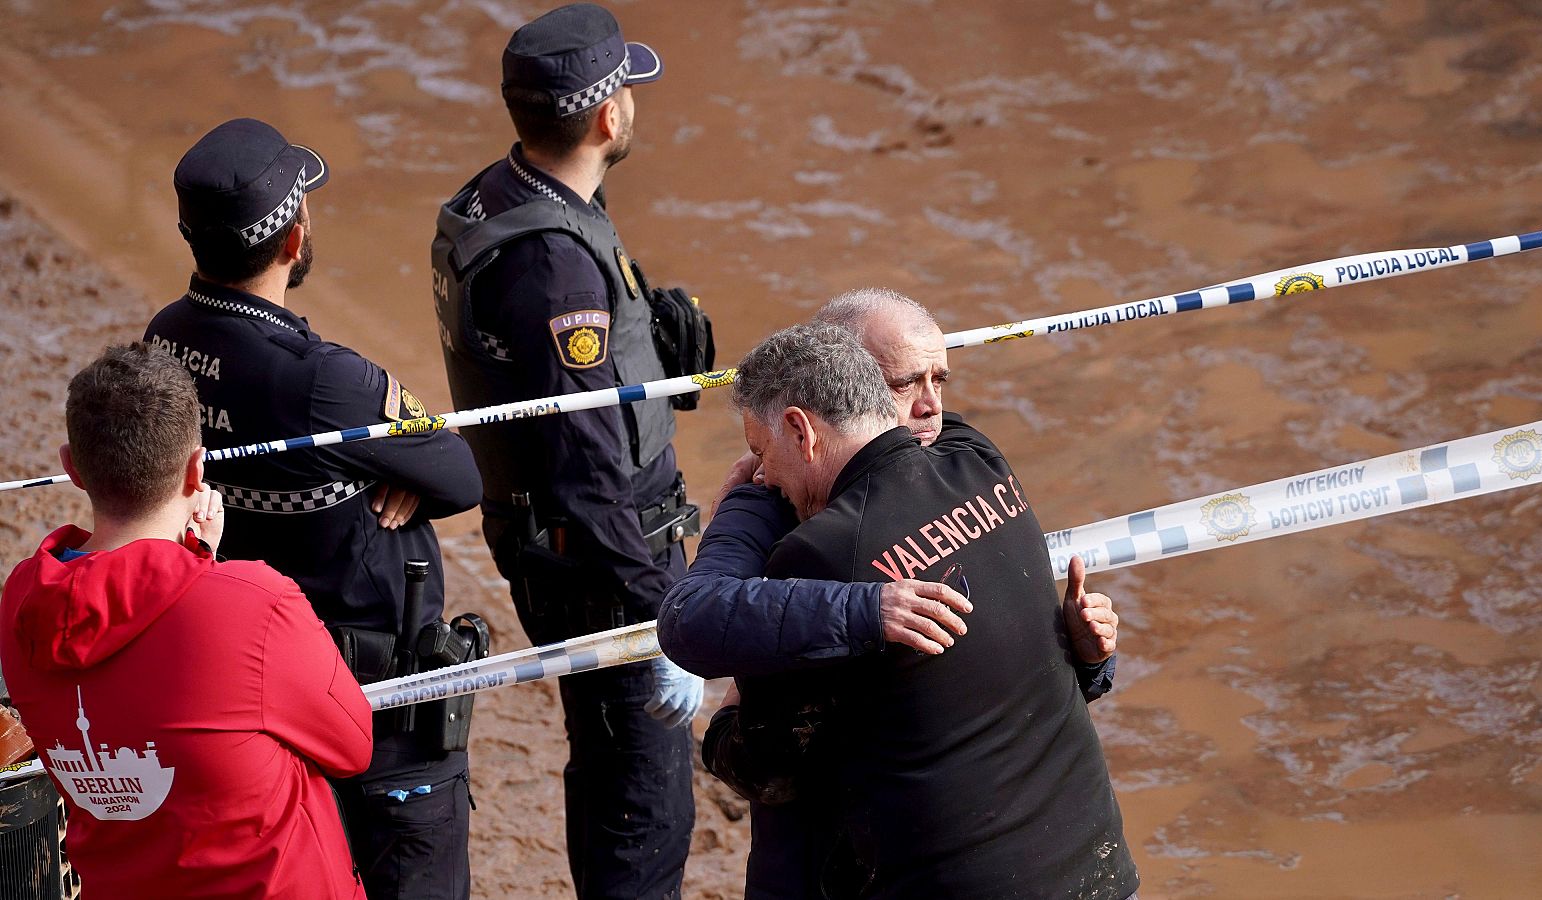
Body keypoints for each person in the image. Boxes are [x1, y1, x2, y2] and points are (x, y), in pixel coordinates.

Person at [144, 119, 482, 899]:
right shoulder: (330, 382)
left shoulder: (164, 338)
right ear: (294, 238)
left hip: (237, 681)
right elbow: (461, 473)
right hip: (365, 705)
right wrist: (382, 468)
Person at [704, 323, 1140, 899]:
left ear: (800, 429)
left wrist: (730, 707)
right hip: (1096, 866)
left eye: (762, 454)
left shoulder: (821, 552)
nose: (763, 477)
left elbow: (767, 767)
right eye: (910, 382)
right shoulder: (980, 464)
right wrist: (1088, 661)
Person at [429, 5, 707, 897]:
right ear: (606, 116)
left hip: (556, 546)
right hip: (600, 565)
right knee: (644, 800)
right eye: (626, 88)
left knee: (610, 767)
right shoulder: (552, 265)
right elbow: (587, 470)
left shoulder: (508, 196)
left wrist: (656, 358)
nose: (632, 101)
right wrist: (664, 617)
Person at [0, 343, 372, 899]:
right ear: (198, 468)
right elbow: (353, 745)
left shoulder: (22, 604)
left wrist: (194, 564)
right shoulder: (256, 603)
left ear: (72, 468)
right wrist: (207, 568)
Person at [660, 288, 1118, 698]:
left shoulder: (966, 454)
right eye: (904, 383)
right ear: (842, 382)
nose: (933, 408)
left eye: (938, 379)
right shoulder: (973, 459)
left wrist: (1089, 661)